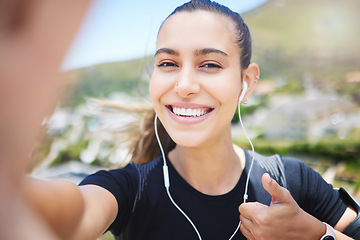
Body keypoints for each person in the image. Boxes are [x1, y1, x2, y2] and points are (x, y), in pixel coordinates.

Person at [24, 0, 360, 239]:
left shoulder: (292, 181)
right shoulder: (129, 190)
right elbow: (73, 213)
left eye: (210, 64)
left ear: (247, 81)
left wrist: (315, 234)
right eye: (168, 63)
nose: (184, 86)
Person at [0, 0, 90, 239]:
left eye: (205, 65)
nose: (184, 86)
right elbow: (82, 204)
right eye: (167, 63)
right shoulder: (132, 184)